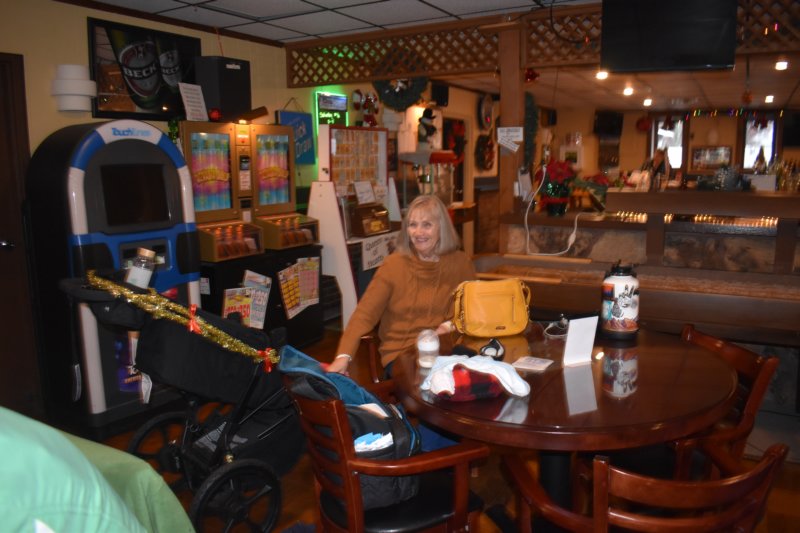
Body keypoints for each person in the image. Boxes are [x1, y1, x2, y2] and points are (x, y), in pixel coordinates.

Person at [327, 194, 475, 377]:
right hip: (402, 355)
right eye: (413, 225)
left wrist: (447, 327)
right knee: (442, 384)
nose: (418, 233)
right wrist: (343, 356)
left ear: (441, 227)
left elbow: (471, 311)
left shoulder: (461, 263)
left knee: (487, 375)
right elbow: (364, 314)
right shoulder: (393, 265)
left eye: (427, 225)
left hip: (447, 350)